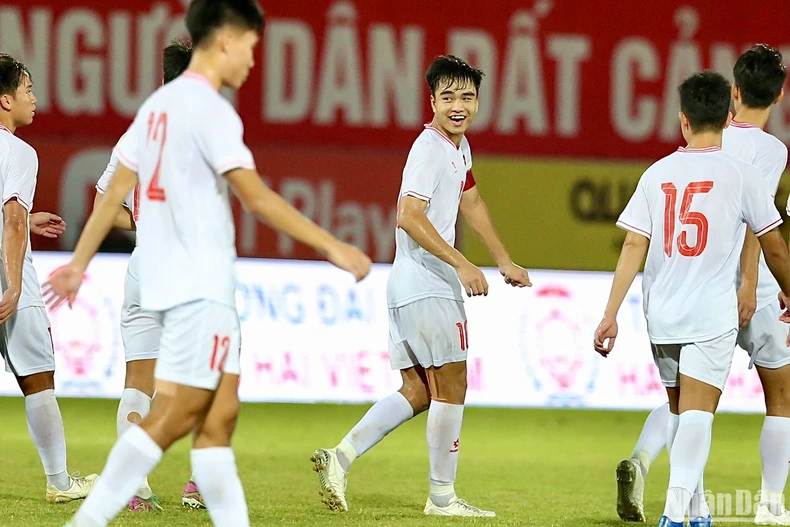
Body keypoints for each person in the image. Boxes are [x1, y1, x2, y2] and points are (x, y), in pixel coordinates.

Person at [45, 1, 371, 526]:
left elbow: (110, 199)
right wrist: (332, 246)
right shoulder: (211, 110)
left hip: (157, 274)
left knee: (218, 419)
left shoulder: (153, 111)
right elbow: (258, 198)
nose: (252, 59)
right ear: (224, 39)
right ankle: (87, 519)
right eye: (250, 45)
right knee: (177, 417)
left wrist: (80, 263)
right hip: (200, 287)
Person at [310, 54, 531, 518]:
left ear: (477, 102)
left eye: (467, 97)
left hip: (408, 284)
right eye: (448, 97)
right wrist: (464, 264)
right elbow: (408, 216)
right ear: (431, 101)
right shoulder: (429, 148)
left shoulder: (458, 147)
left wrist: (504, 259)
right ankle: (442, 498)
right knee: (452, 386)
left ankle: (340, 457)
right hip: (428, 282)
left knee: (419, 391)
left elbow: (471, 202)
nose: (458, 105)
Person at [595, 71, 790, 527]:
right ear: (727, 115)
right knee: (698, 416)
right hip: (710, 313)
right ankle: (675, 512)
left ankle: (698, 511)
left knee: (679, 410)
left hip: (660, 312)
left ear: (683, 121)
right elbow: (773, 244)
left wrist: (609, 314)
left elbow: (632, 245)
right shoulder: (742, 174)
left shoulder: (656, 173)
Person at [92, 38, 205, 513]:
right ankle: (199, 486)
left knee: (139, 380)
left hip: (143, 266)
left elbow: (104, 208)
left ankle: (135, 490)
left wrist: (142, 222)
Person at [0, 53, 97, 504]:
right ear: (5, 100)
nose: (34, 99)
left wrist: (27, 218)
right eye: (27, 90)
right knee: (38, 377)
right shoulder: (19, 151)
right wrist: (15, 285)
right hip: (8, 277)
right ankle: (60, 483)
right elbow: (13, 221)